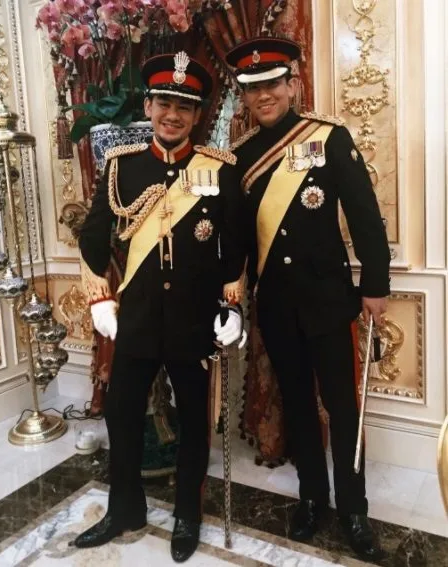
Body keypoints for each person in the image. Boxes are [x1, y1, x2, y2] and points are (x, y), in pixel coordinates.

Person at [73, 51, 246, 563]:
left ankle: (187, 514)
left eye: (184, 107)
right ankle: (125, 508)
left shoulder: (220, 170)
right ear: (148, 106)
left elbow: (235, 247)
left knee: (194, 421)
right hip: (139, 319)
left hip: (194, 319)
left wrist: (232, 306)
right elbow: (92, 237)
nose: (173, 115)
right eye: (164, 103)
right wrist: (100, 298)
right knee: (122, 415)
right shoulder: (121, 166)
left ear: (197, 116)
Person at [226, 38, 391, 562]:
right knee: (297, 405)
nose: (264, 96)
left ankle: (354, 509)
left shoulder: (329, 137)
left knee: (342, 408)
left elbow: (364, 213)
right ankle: (313, 499)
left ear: (292, 85)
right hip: (276, 304)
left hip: (328, 300)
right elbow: (238, 239)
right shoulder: (241, 157)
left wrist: (375, 286)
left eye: (273, 84)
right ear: (244, 97)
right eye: (253, 89)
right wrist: (229, 294)